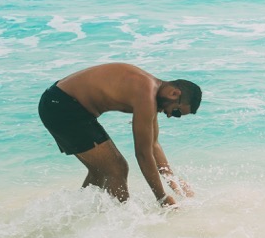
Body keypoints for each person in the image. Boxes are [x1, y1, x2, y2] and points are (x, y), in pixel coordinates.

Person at [38, 63, 201, 206]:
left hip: (58, 102)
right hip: (62, 106)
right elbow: (143, 154)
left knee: (100, 171)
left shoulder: (150, 91)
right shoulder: (146, 95)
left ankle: (79, 215)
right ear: (174, 94)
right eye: (177, 112)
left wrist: (173, 180)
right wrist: (162, 198)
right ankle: (122, 221)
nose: (170, 115)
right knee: (117, 168)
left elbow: (153, 144)